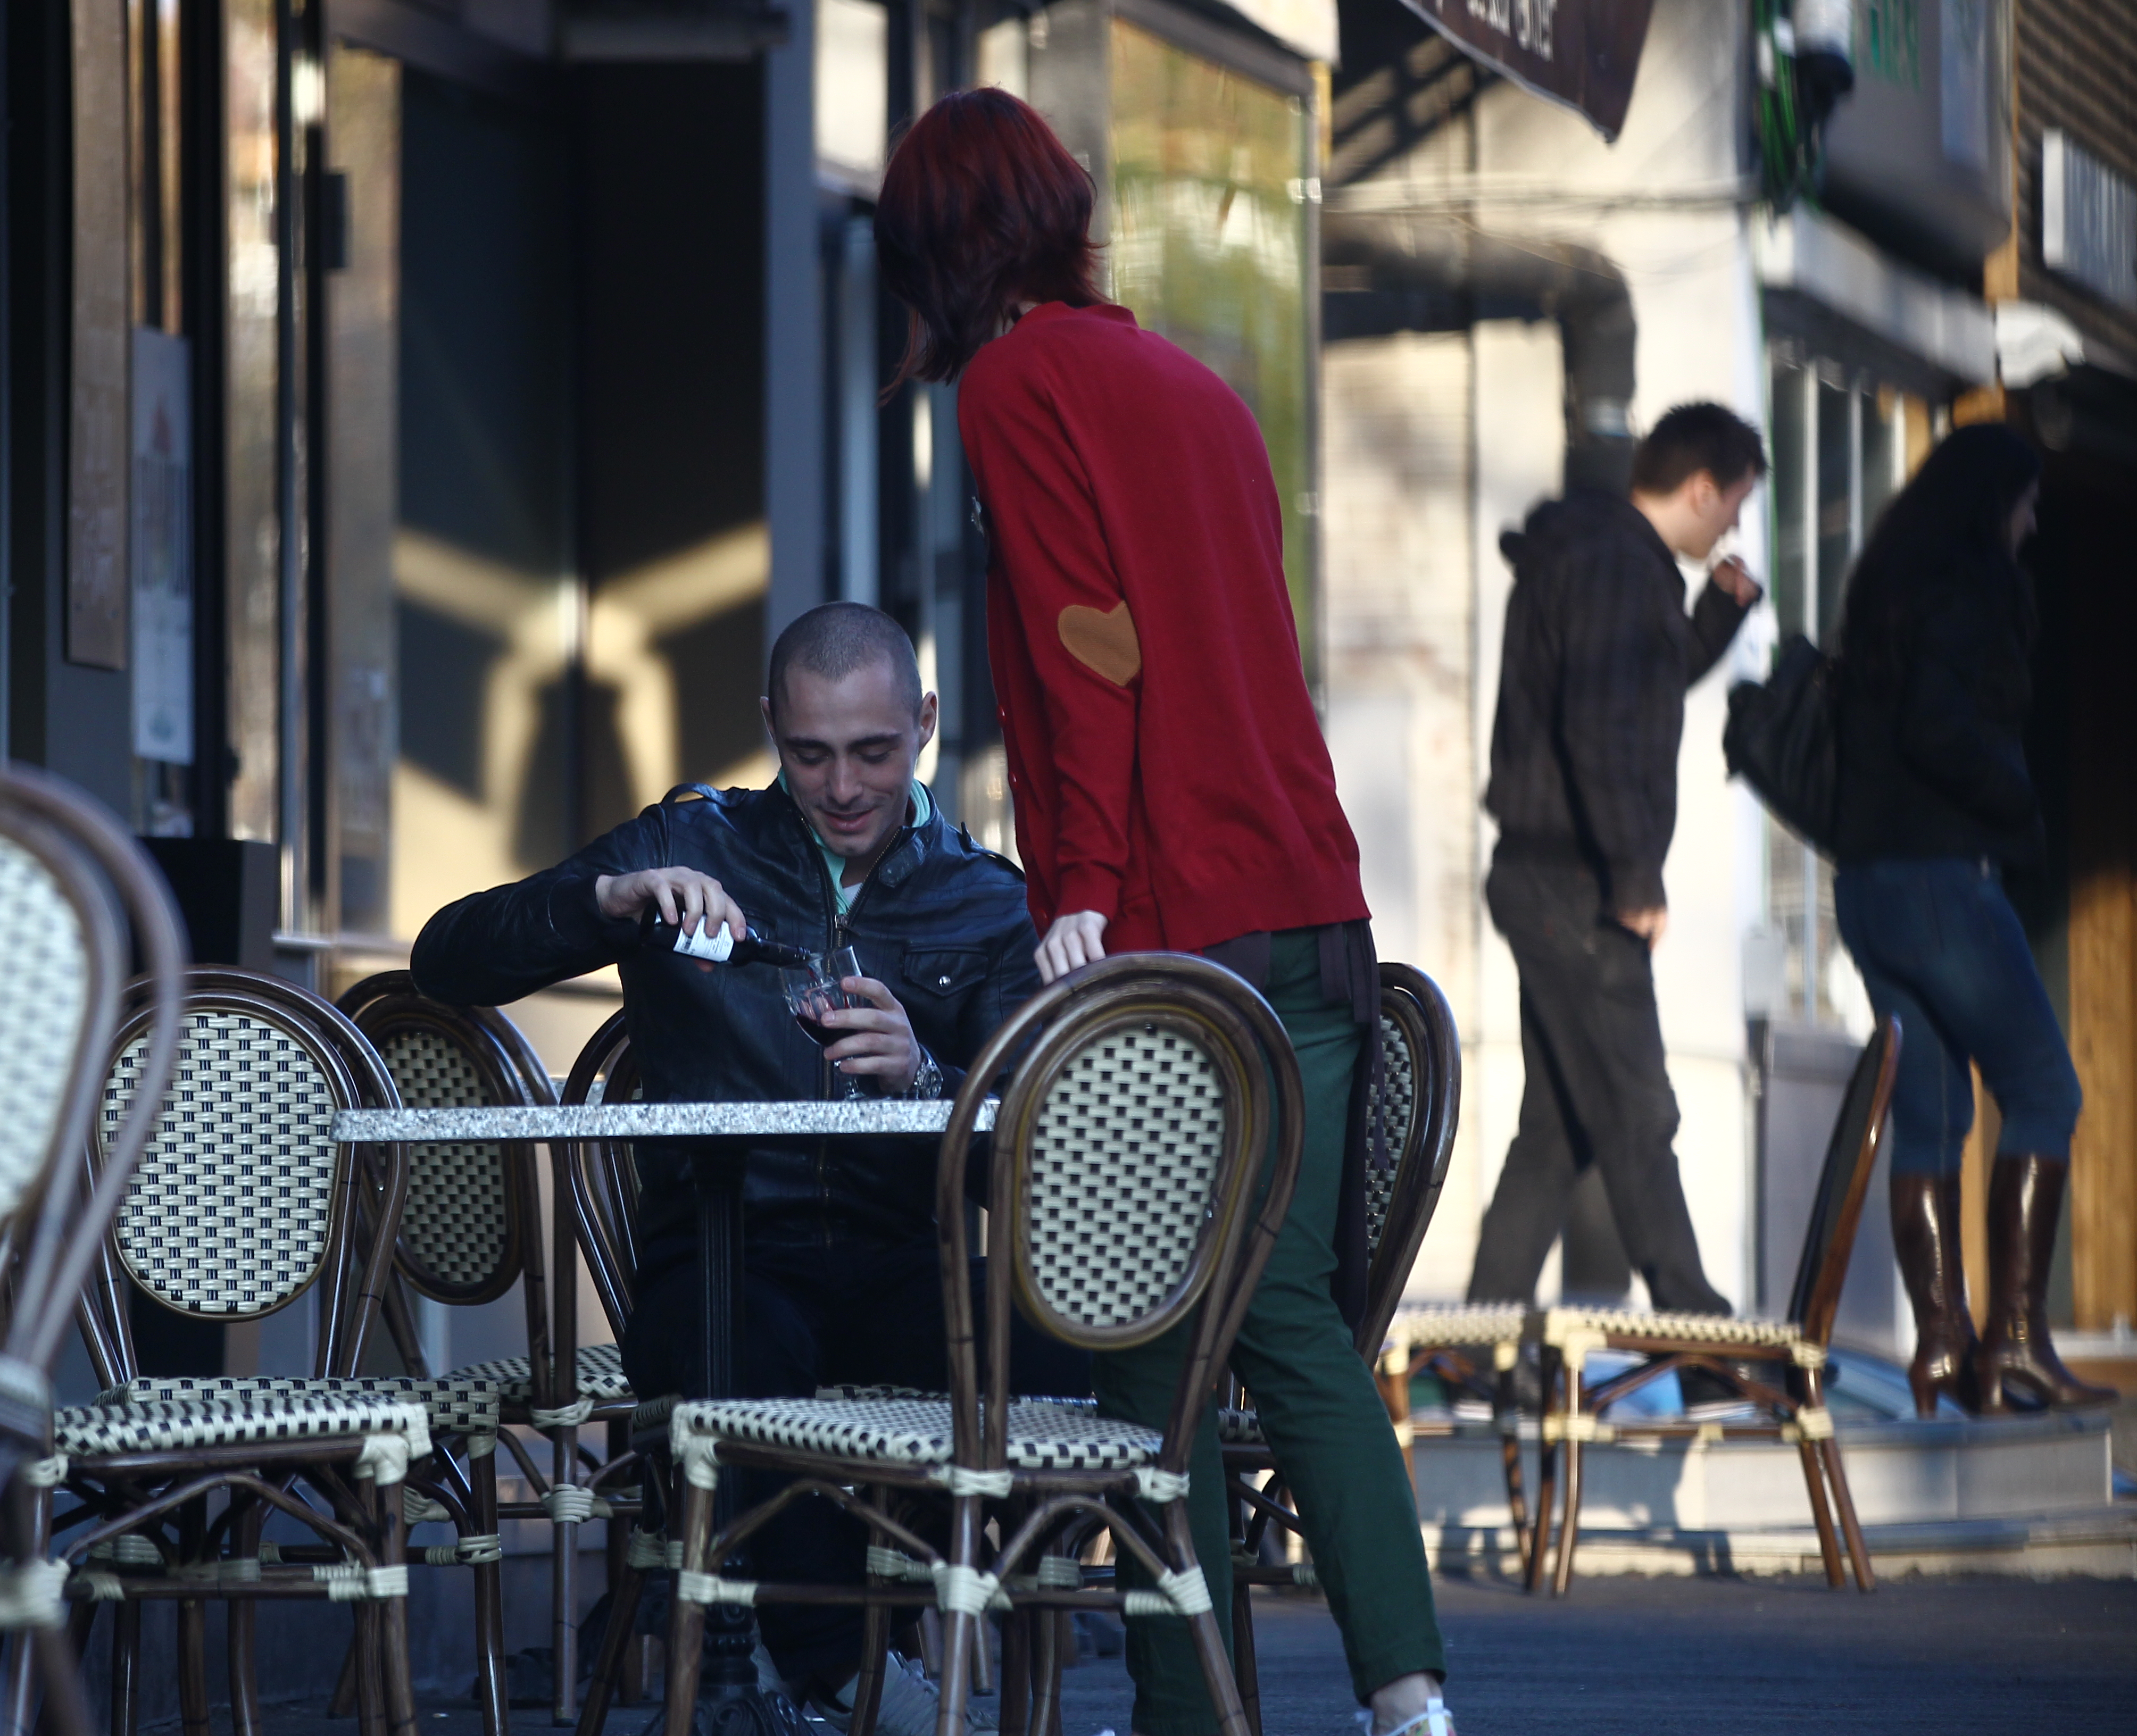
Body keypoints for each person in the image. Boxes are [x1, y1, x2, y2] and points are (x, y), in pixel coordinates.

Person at [877, 87, 1452, 1736]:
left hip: (1176, 922)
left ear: (943, 246)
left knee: (1162, 1329)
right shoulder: (1197, 390)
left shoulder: (1016, 383)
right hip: (1311, 910)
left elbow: (1091, 651)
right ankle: (1398, 1705)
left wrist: (1079, 892)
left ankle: (1222, 1717)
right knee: (1261, 1326)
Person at [411, 602, 1037, 1732]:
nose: (842, 787)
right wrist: (602, 900)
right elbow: (446, 960)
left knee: (1077, 1347)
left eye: (873, 752)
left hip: (909, 1266)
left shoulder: (989, 900)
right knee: (737, 1356)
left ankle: (1004, 1651)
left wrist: (927, 1080)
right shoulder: (691, 843)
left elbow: (1028, 1166)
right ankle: (848, 1671)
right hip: (726, 1250)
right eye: (809, 754)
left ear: (927, 723)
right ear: (769, 727)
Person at [1832, 423, 2111, 1415]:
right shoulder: (1972, 588)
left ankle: (1945, 1351)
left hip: (1867, 886)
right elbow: (1939, 728)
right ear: (1994, 501)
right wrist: (2018, 802)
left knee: (1935, 1117)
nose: (2033, 523)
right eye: (2028, 503)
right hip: (1941, 882)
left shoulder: (1884, 584)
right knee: (2044, 1090)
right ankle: (2020, 1344)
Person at [1466, 403, 1766, 1318]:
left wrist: (1717, 614)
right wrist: (1636, 876)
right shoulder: (1617, 567)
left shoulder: (1604, 559)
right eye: (1737, 504)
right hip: (1577, 883)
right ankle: (1700, 1335)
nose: (1735, 527)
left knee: (1558, 1131)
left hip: (1548, 874)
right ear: (1702, 490)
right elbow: (1600, 730)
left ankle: (1472, 1347)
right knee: (1639, 1108)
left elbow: (1639, 689)